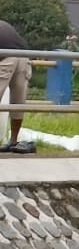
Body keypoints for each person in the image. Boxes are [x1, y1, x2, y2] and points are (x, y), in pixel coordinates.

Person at [0, 20, 35, 154]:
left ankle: (13, 141)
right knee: (18, 102)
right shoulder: (4, 24)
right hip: (24, 56)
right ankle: (13, 140)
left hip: (5, 57)